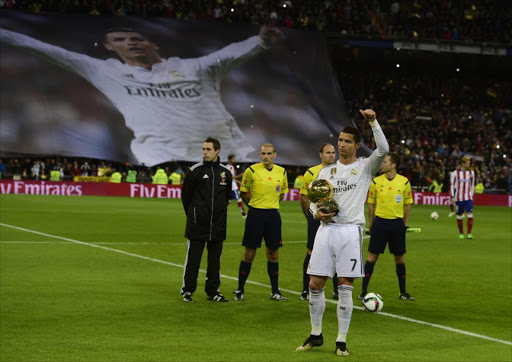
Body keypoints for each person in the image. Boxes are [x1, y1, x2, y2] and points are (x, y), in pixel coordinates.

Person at [0, 26, 284, 166]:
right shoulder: (106, 71)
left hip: (222, 157)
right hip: (162, 160)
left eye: (136, 38)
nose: (131, 42)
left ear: (152, 43)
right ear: (110, 48)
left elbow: (228, 54)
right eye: (120, 40)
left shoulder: (193, 67)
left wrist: (261, 41)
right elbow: (43, 48)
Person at [296, 109, 388, 357]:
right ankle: (316, 335)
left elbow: (383, 149)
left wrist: (373, 122)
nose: (342, 145)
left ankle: (341, 340)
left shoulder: (366, 167)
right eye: (340, 140)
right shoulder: (326, 173)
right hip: (326, 231)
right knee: (315, 283)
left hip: (349, 231)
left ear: (357, 145)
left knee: (345, 284)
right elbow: (315, 200)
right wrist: (316, 214)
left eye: (347, 141)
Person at [233, 143, 289, 301]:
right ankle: (240, 289)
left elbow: (282, 194)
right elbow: (243, 193)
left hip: (273, 216)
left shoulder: (282, 172)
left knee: (273, 254)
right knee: (249, 253)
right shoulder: (251, 171)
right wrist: (253, 206)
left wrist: (270, 205)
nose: (266, 156)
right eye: (263, 153)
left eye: (269, 153)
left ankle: (275, 291)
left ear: (275, 155)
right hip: (255, 215)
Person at [180, 137, 232, 303]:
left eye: (208, 149)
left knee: (214, 262)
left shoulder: (226, 173)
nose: (205, 152)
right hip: (197, 223)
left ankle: (213, 291)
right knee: (193, 260)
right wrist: (194, 214)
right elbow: (185, 197)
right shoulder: (195, 170)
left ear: (217, 151)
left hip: (217, 225)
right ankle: (187, 291)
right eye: (203, 149)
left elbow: (226, 198)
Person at [358, 152, 415, 302]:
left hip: (397, 223)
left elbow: (408, 203)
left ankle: (403, 292)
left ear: (393, 165)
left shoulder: (404, 182)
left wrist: (405, 223)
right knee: (372, 257)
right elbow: (370, 203)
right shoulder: (376, 181)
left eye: (385, 162)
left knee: (399, 258)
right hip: (380, 223)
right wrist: (371, 223)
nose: (382, 164)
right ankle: (363, 290)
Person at [299, 143, 337, 301]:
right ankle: (305, 290)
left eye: (333, 153)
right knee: (311, 252)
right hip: (316, 218)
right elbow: (304, 197)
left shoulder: (340, 172)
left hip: (335, 218)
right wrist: (311, 216)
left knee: (336, 253)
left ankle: (337, 290)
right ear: (321, 154)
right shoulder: (311, 173)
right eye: (328, 152)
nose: (331, 155)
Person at [450, 156, 475, 239]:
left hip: (468, 197)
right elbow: (452, 185)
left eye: (469, 163)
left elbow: (472, 185)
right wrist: (452, 196)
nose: (469, 165)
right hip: (459, 198)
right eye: (467, 163)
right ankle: (461, 233)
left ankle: (469, 234)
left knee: (470, 214)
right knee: (459, 215)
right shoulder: (455, 173)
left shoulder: (471, 173)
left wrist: (471, 195)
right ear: (463, 164)